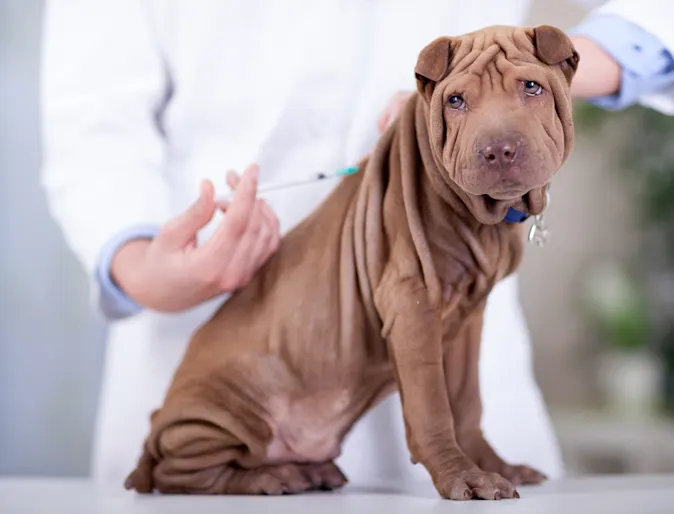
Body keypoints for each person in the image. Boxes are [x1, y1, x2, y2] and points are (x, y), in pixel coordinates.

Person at [38, 0, 673, 490]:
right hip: (218, 311)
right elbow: (92, 130)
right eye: (457, 100)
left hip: (468, 245)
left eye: (531, 90)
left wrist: (562, 68)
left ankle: (464, 440)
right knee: (208, 437)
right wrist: (142, 265)